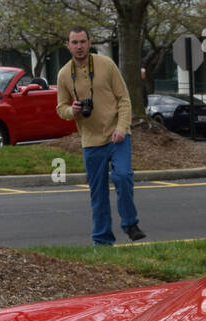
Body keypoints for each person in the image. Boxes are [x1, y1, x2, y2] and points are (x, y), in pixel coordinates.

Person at [56, 26, 143, 244]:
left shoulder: (106, 65)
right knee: (98, 193)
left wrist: (122, 127)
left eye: (82, 41)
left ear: (89, 42)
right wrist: (71, 110)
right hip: (91, 141)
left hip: (118, 135)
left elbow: (124, 99)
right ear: (68, 46)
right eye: (74, 42)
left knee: (122, 176)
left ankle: (130, 223)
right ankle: (102, 240)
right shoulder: (64, 74)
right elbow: (61, 108)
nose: (79, 46)